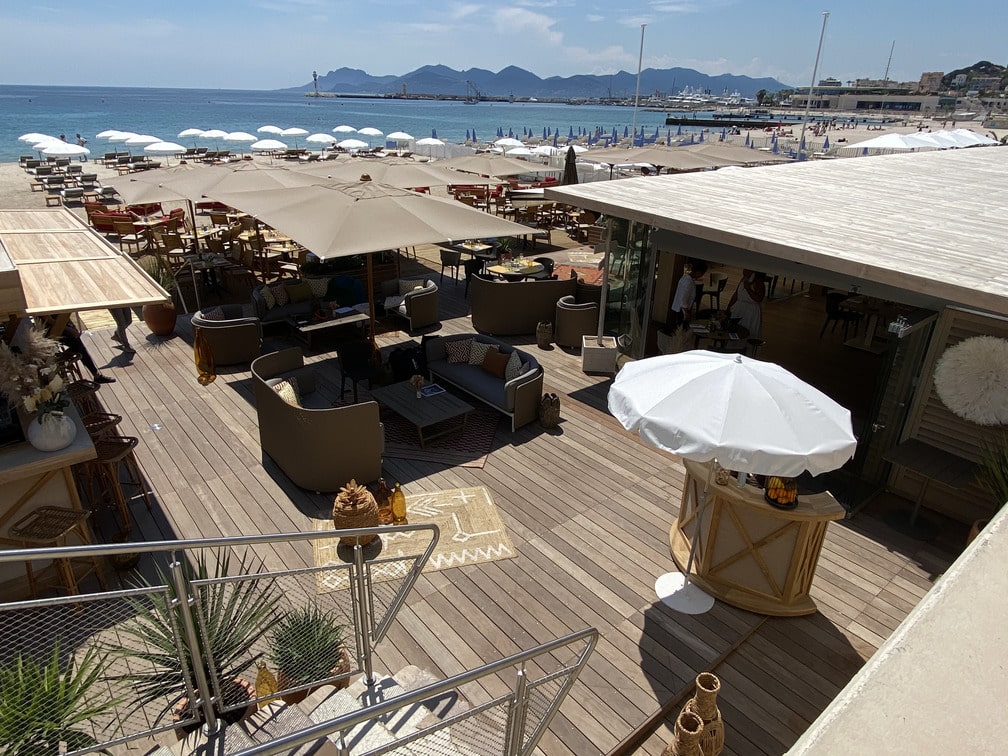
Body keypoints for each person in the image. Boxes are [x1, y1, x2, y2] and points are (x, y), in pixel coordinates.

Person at [45, 316, 115, 384]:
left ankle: (61, 357)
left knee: (78, 345)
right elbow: (50, 321)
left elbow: (65, 315)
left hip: (63, 327)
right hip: (53, 330)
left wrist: (72, 327)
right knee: (78, 345)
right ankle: (60, 358)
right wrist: (70, 330)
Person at [667, 260, 707, 331]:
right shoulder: (689, 282)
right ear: (698, 272)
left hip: (679, 308)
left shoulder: (685, 278)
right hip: (682, 310)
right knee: (681, 329)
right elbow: (683, 299)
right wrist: (687, 313)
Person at [727, 269, 766, 341]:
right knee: (735, 330)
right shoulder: (743, 279)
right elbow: (736, 294)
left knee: (749, 331)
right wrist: (729, 306)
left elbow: (759, 299)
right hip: (739, 307)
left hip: (750, 310)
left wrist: (748, 289)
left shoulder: (759, 282)